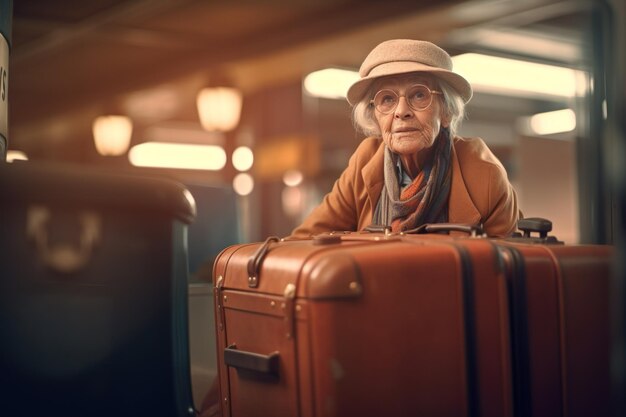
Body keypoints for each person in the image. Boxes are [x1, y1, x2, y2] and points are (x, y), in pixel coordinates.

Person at [291, 39, 521, 238]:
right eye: (387, 99)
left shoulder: (484, 173)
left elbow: (507, 272)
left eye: (419, 94)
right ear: (375, 116)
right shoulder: (365, 161)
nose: (401, 111)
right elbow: (305, 240)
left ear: (447, 111)